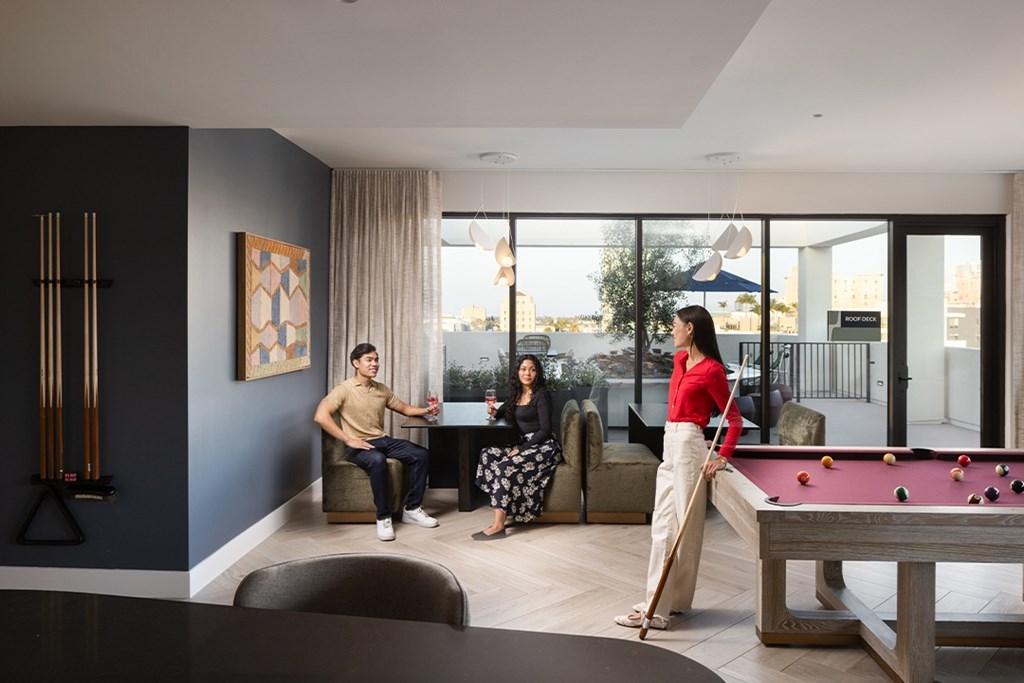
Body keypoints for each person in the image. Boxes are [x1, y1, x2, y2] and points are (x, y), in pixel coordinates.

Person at [614, 305, 743, 629]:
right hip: (670, 442)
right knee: (667, 526)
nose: (671, 330)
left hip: (689, 445)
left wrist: (722, 455)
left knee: (673, 531)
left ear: (691, 329)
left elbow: (734, 418)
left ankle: (655, 610)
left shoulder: (712, 371)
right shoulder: (680, 361)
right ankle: (675, 601)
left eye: (675, 325)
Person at [313, 342, 440, 542]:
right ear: (356, 363)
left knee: (421, 454)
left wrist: (426, 411)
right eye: (369, 360)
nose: (375, 364)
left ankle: (412, 509)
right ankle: (383, 517)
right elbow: (321, 416)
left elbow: (405, 409)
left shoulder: (381, 389)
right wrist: (348, 439)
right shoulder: (344, 389)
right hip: (358, 446)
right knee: (378, 461)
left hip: (382, 440)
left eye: (376, 359)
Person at [472, 354, 561, 540]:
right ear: (517, 372)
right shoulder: (517, 393)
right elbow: (503, 410)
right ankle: (504, 502)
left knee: (505, 466)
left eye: (532, 369)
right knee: (488, 454)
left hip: (543, 446)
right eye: (523, 369)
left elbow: (545, 430)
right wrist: (494, 412)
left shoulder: (541, 395)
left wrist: (522, 449)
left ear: (537, 373)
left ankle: (498, 525)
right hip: (525, 445)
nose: (527, 373)